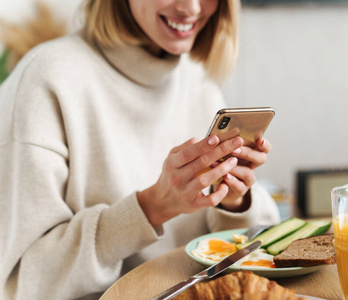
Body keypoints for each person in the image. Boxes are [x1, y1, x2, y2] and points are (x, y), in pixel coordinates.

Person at [0, 0, 280, 299]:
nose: (192, 8)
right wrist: (151, 208)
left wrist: (232, 201)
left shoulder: (197, 77)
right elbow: (18, 281)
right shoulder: (47, 78)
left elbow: (234, 253)